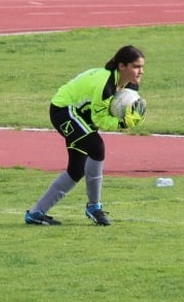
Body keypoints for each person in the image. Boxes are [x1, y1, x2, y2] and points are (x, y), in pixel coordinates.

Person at [24, 45, 147, 226]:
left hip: (82, 115)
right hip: (63, 110)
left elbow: (120, 107)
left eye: (142, 67)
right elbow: (100, 119)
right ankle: (94, 207)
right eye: (136, 66)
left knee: (76, 170)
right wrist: (122, 124)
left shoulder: (131, 86)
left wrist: (132, 115)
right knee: (97, 147)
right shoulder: (106, 85)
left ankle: (36, 213)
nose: (141, 71)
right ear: (122, 66)